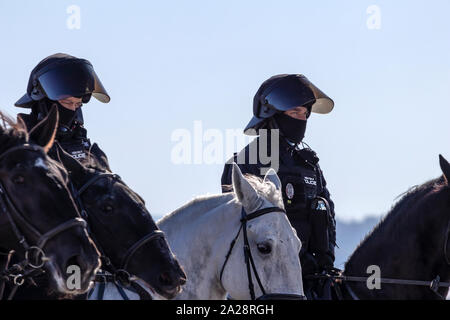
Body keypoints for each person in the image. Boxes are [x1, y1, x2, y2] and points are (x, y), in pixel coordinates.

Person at [221, 74, 337, 300]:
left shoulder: (309, 164)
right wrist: (292, 260)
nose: (301, 120)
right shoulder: (245, 162)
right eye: (295, 113)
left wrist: (326, 259)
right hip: (268, 287)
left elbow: (328, 213)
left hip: (314, 281)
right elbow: (239, 230)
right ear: (272, 116)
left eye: (305, 114)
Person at [15, 53, 111, 169]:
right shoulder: (18, 149)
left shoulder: (88, 149)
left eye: (77, 104)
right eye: (67, 102)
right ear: (43, 102)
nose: (71, 109)